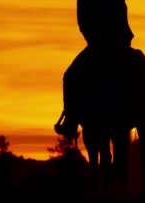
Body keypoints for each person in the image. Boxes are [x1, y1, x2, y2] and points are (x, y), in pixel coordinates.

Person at [57, 0, 135, 138]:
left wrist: (95, 39)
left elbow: (83, 24)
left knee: (70, 76)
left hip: (98, 46)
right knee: (140, 66)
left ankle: (70, 120)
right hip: (120, 44)